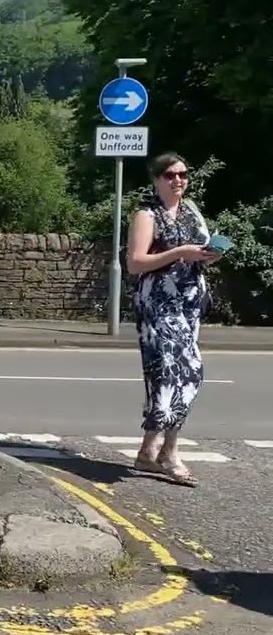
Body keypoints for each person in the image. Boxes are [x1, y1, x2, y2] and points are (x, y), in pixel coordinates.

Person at [125, 152, 221, 487]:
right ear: (155, 180)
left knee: (181, 377)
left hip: (188, 306)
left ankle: (148, 451)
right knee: (177, 374)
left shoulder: (191, 211)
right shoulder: (146, 214)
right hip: (158, 306)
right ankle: (169, 453)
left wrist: (207, 255)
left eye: (182, 174)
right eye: (170, 175)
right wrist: (180, 252)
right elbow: (136, 263)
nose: (178, 180)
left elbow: (201, 252)